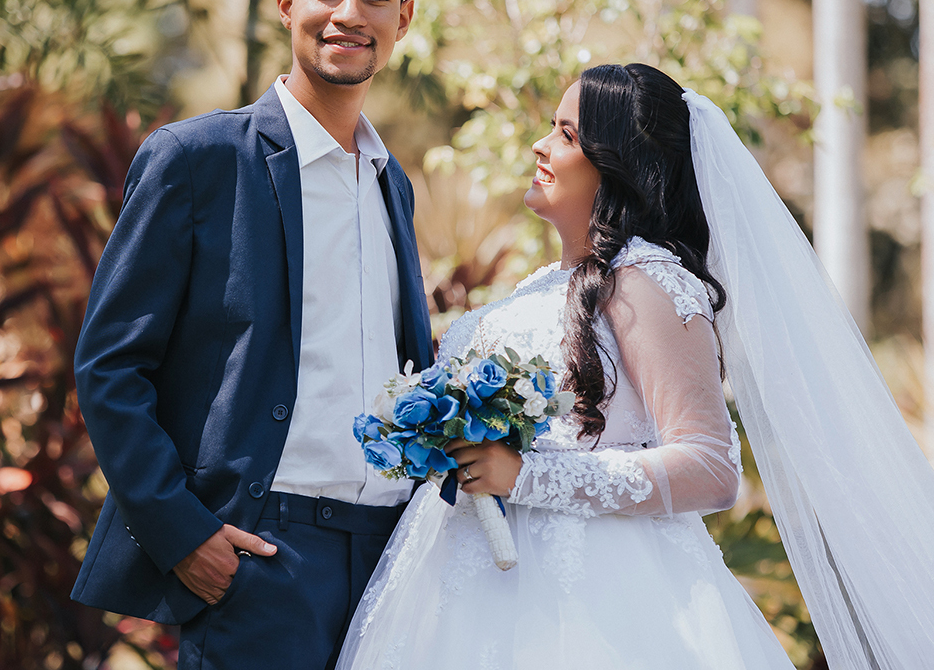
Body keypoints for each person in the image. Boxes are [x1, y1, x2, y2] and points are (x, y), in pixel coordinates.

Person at [337, 64, 934, 670]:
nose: (541, 146)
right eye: (553, 127)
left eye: (567, 135)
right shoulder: (538, 287)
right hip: (458, 589)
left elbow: (710, 465)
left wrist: (526, 477)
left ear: (617, 162)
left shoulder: (645, 280)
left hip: (597, 600)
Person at [69, 0, 434, 670]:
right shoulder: (196, 160)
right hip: (260, 554)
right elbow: (109, 366)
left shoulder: (391, 183)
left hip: (394, 559)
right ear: (285, 4)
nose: (348, 14)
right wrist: (182, 533)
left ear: (403, 18)